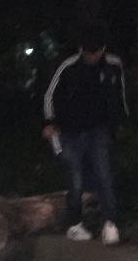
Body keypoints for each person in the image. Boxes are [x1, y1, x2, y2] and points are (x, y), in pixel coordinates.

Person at [42, 23, 128, 245]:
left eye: (96, 52)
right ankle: (75, 223)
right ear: (80, 49)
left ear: (103, 49)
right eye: (87, 52)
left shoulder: (113, 65)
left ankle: (110, 223)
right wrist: (50, 122)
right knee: (76, 177)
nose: (91, 57)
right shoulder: (68, 66)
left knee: (103, 172)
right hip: (70, 131)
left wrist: (119, 122)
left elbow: (120, 96)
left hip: (98, 127)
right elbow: (49, 95)